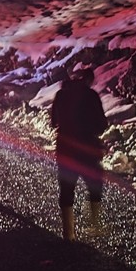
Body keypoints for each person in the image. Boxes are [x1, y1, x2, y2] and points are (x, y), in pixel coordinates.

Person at [50, 63, 108, 241]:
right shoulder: (91, 96)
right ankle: (94, 226)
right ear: (88, 80)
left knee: (67, 189)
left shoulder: (61, 95)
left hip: (65, 148)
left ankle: (69, 233)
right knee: (95, 186)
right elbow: (101, 124)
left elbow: (53, 121)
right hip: (87, 148)